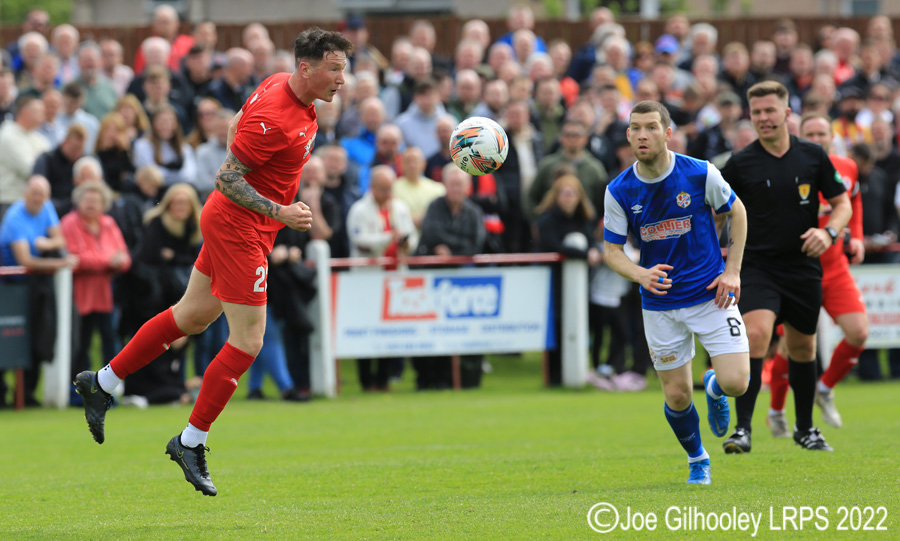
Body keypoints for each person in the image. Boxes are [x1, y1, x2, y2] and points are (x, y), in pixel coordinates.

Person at [73, 28, 352, 497]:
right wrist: (280, 210)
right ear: (307, 68)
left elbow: (233, 129)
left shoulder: (282, 89)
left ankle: (102, 381)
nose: (342, 79)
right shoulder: (275, 113)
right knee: (248, 340)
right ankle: (190, 440)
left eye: (343, 68)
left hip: (241, 225)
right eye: (335, 68)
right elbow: (226, 177)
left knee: (193, 317)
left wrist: (272, 208)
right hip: (239, 228)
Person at [603, 100, 750, 485]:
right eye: (635, 128)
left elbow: (737, 212)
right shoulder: (619, 190)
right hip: (660, 305)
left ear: (667, 133)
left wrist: (731, 271)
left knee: (738, 383)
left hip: (710, 295)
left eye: (650, 127)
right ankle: (697, 459)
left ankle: (715, 386)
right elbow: (612, 252)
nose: (641, 135)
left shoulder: (700, 173)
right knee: (678, 396)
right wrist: (640, 274)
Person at [719, 81, 851, 453]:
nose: (763, 118)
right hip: (757, 265)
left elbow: (843, 205)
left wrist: (828, 233)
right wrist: (715, 255)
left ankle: (806, 429)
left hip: (802, 266)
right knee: (757, 334)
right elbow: (715, 211)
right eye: (756, 112)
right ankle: (742, 429)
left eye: (769, 110)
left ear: (787, 113)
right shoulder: (741, 163)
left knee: (803, 348)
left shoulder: (812, 155)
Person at [765, 113, 869, 436]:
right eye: (810, 133)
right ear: (800, 136)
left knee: (859, 333)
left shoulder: (846, 167)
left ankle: (825, 388)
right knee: (790, 349)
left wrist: (858, 236)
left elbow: (852, 203)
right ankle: (777, 410)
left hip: (835, 269)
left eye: (822, 132)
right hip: (797, 272)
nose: (817, 137)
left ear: (831, 136)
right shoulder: (788, 168)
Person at [0, 176, 78, 405]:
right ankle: (4, 395)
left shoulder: (46, 208)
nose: (38, 199)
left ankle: (26, 394)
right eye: (34, 193)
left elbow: (59, 240)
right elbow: (25, 260)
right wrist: (59, 264)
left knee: (38, 336)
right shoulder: (15, 217)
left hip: (33, 286)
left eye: (42, 194)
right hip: (9, 286)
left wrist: (46, 244)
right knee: (9, 339)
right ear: (25, 193)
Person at [60, 181, 131, 395]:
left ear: (104, 204)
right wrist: (109, 260)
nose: (91, 204)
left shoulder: (109, 223)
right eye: (87, 200)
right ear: (78, 201)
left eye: (96, 201)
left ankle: (110, 390)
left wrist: (111, 260)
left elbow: (125, 259)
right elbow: (75, 259)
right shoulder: (69, 223)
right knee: (80, 344)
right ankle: (77, 392)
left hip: (106, 295)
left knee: (111, 342)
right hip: (79, 295)